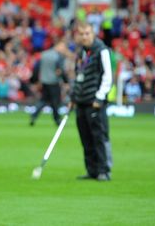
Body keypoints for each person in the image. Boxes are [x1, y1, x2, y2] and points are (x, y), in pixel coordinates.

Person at [69, 22, 113, 181]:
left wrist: (100, 97)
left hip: (94, 102)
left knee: (99, 137)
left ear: (93, 34)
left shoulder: (102, 51)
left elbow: (108, 76)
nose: (84, 36)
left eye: (87, 33)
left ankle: (104, 170)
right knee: (86, 138)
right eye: (81, 34)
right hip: (80, 102)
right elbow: (77, 77)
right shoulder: (81, 53)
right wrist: (73, 97)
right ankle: (91, 170)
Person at [30, 40, 71, 126]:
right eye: (63, 47)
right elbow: (60, 70)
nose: (63, 49)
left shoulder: (44, 54)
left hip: (44, 81)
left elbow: (36, 68)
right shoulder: (58, 56)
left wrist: (35, 80)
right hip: (53, 82)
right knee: (55, 102)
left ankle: (34, 115)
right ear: (58, 46)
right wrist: (66, 81)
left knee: (43, 100)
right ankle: (57, 119)